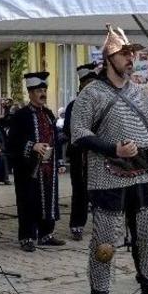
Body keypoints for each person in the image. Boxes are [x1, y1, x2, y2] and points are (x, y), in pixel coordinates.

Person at [68, 25, 148, 294]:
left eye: (132, 54)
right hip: (107, 174)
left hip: (143, 172)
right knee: (105, 240)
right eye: (124, 54)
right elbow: (78, 134)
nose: (131, 59)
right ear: (109, 58)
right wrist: (114, 149)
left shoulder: (139, 92)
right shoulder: (92, 93)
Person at [6, 72, 64, 252]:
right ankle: (27, 237)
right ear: (30, 93)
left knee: (48, 200)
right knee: (28, 202)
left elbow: (55, 138)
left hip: (48, 167)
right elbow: (12, 141)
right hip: (28, 168)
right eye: (39, 90)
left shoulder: (48, 114)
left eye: (44, 89)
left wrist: (59, 160)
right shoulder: (20, 115)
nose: (43, 93)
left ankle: (46, 234)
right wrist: (32, 146)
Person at [63, 62, 100, 241]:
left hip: (99, 154)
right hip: (80, 154)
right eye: (88, 83)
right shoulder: (73, 106)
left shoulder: (102, 104)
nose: (92, 87)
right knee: (80, 190)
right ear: (81, 85)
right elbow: (69, 131)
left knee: (101, 190)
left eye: (94, 83)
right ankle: (77, 225)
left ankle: (103, 225)